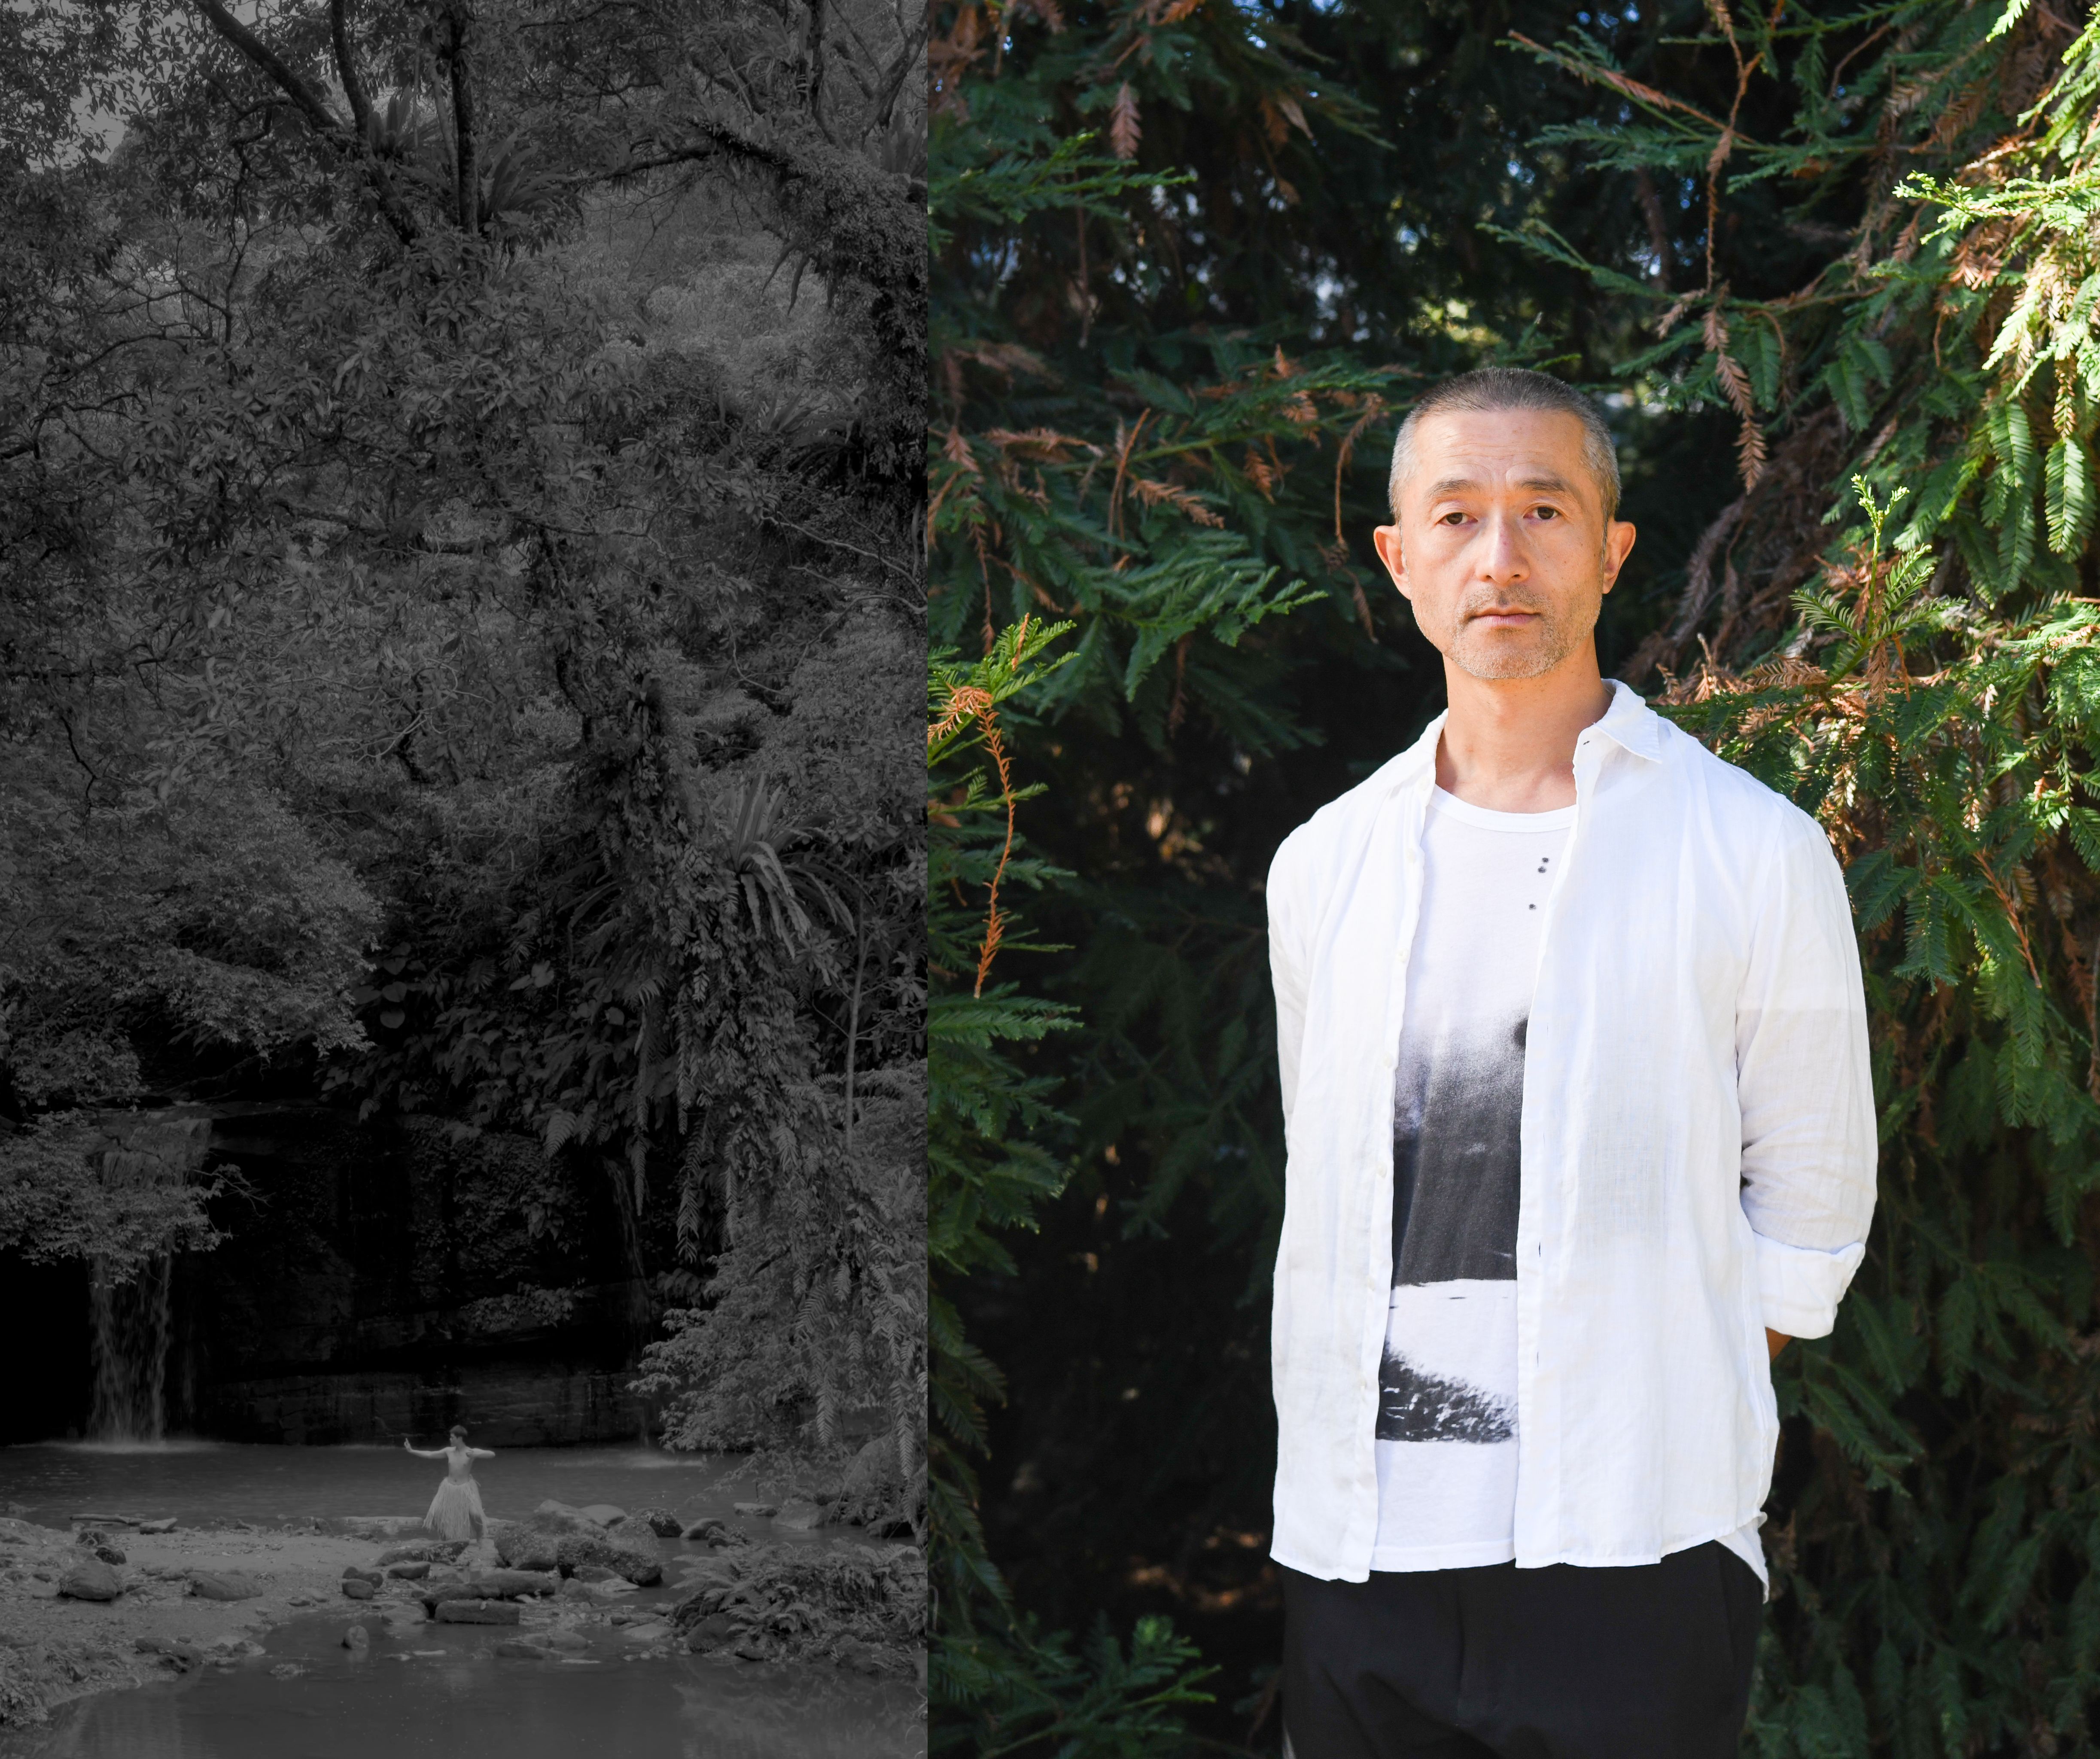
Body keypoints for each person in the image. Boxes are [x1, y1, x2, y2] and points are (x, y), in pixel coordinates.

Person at [1265, 368, 1876, 1758]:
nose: (1501, 556)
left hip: (1637, 1543)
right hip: (1366, 1551)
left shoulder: (1749, 847)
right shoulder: (1326, 866)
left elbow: (1812, 1209)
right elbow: (1348, 1197)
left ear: (1610, 550)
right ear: (1400, 557)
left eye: (1545, 510)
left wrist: (1640, 1376)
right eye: (1458, 514)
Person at [403, 1426, 494, 1546]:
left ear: (460, 1438)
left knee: (476, 1515)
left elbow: (491, 1454)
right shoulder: (449, 1451)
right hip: (448, 1488)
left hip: (465, 1490)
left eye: (452, 1438)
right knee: (435, 1514)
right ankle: (445, 1538)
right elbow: (430, 1454)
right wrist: (412, 1451)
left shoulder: (471, 1452)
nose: (450, 1440)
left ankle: (479, 1537)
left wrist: (477, 1453)